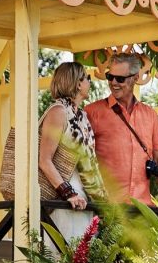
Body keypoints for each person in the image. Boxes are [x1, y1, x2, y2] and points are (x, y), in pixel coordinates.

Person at [84, 53, 158, 217]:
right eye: (110, 77)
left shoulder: (149, 115)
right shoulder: (92, 113)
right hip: (106, 212)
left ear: (135, 78)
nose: (114, 82)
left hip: (142, 211)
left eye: (120, 79)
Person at [39, 62, 108, 243]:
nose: (89, 82)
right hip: (65, 198)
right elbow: (44, 160)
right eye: (87, 78)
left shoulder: (81, 116)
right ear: (78, 83)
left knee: (85, 257)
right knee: (66, 255)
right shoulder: (58, 112)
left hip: (84, 196)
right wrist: (68, 193)